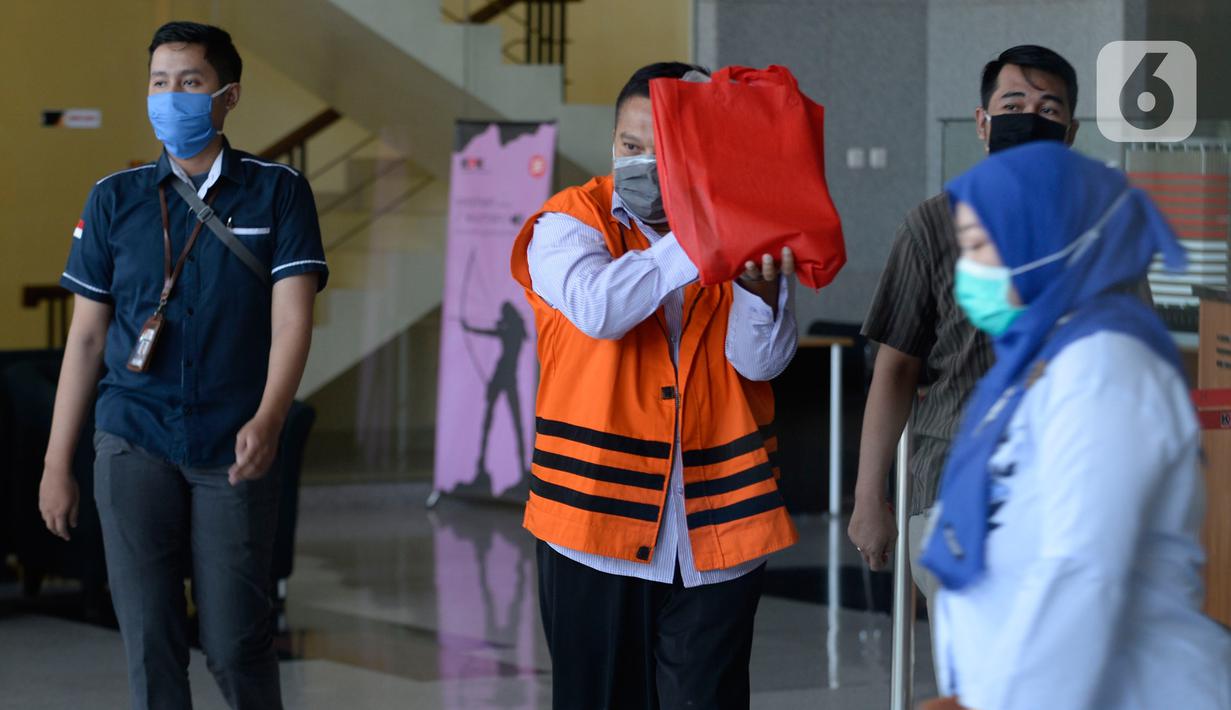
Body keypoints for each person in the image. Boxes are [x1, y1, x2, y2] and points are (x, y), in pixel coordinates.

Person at [38, 21, 328, 710]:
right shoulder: (114, 197)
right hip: (132, 436)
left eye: (189, 83)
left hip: (233, 442)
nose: (171, 97)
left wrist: (269, 416)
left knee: (235, 640)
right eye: (159, 83)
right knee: (149, 637)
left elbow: (293, 318)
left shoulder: (277, 192)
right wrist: (56, 465)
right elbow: (84, 341)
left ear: (227, 97)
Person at [509, 62, 800, 709]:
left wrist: (763, 293)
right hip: (593, 527)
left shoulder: (745, 226)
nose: (640, 163)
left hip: (719, 530)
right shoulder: (566, 224)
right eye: (629, 146)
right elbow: (599, 308)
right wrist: (700, 237)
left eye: (661, 149)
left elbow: (762, 363)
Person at [919, 141, 1231, 710]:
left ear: (1044, 239)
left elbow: (1083, 565)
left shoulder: (1106, 365)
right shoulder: (1042, 359)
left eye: (981, 246)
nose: (968, 271)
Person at [850, 45, 1080, 604]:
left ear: (1070, 133)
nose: (1030, 119)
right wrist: (866, 500)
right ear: (983, 123)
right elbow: (896, 367)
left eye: (1049, 110)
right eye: (1014, 103)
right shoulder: (932, 226)